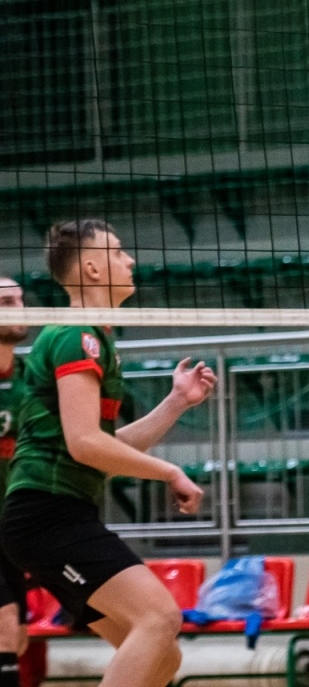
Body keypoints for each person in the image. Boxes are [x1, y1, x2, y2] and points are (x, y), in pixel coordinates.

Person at [1, 222, 216, 687]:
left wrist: (176, 401)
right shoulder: (76, 335)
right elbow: (86, 444)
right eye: (118, 252)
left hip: (60, 516)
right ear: (93, 268)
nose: (130, 260)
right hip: (45, 516)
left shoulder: (94, 338)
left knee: (162, 657)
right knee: (158, 618)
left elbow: (106, 447)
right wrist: (170, 471)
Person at [0, 278, 29, 687]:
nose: (20, 307)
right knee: (5, 626)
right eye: (7, 301)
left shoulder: (32, 378)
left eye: (21, 299)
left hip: (14, 527)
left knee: (17, 637)